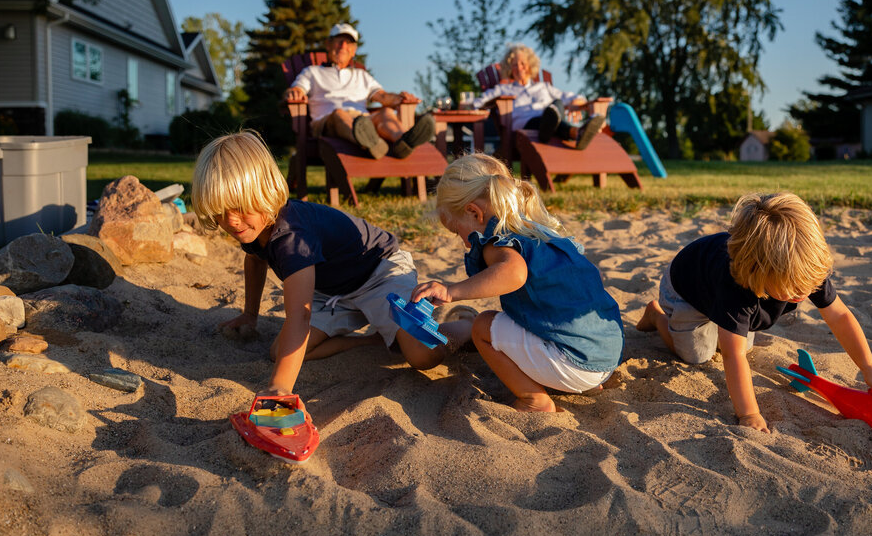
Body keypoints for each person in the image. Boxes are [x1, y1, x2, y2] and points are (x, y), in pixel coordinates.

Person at [191, 130, 469, 396]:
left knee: (422, 357)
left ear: (264, 191)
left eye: (239, 207)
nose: (231, 221)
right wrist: (249, 314)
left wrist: (280, 389)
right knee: (279, 352)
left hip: (379, 272)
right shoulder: (253, 226)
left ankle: (470, 326)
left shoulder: (291, 238)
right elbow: (254, 259)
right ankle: (371, 340)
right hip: (334, 291)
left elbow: (299, 316)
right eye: (220, 211)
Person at [636, 191, 872, 433]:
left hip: (722, 294)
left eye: (808, 286)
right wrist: (748, 413)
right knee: (697, 354)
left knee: (743, 342)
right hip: (687, 291)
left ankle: (717, 324)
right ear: (759, 272)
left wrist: (868, 365)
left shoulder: (804, 269)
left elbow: (839, 316)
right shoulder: (736, 286)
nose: (803, 293)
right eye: (793, 289)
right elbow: (732, 355)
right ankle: (656, 315)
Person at [412, 153, 624, 411]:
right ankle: (579, 382)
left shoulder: (496, 241)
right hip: (606, 357)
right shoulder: (539, 233)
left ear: (473, 212)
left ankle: (533, 398)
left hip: (572, 363)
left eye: (458, 232)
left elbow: (514, 273)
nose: (465, 243)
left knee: (482, 327)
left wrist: (450, 292)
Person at [283, 22, 435, 159]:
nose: (343, 46)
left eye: (348, 42)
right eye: (338, 40)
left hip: (363, 122)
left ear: (353, 50)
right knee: (340, 114)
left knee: (386, 113)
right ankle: (370, 143)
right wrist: (295, 92)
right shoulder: (312, 72)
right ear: (328, 44)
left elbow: (382, 96)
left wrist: (401, 98)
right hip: (327, 122)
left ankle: (403, 142)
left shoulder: (361, 75)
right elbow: (297, 89)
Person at [473, 43, 606, 149]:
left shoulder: (544, 87)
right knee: (548, 116)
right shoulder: (503, 90)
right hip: (525, 128)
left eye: (523, 63)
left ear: (530, 65)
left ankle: (563, 127)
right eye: (515, 65)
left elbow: (573, 97)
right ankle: (576, 133)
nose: (519, 68)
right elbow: (478, 102)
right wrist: (467, 104)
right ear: (509, 68)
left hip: (549, 125)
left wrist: (576, 104)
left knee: (557, 104)